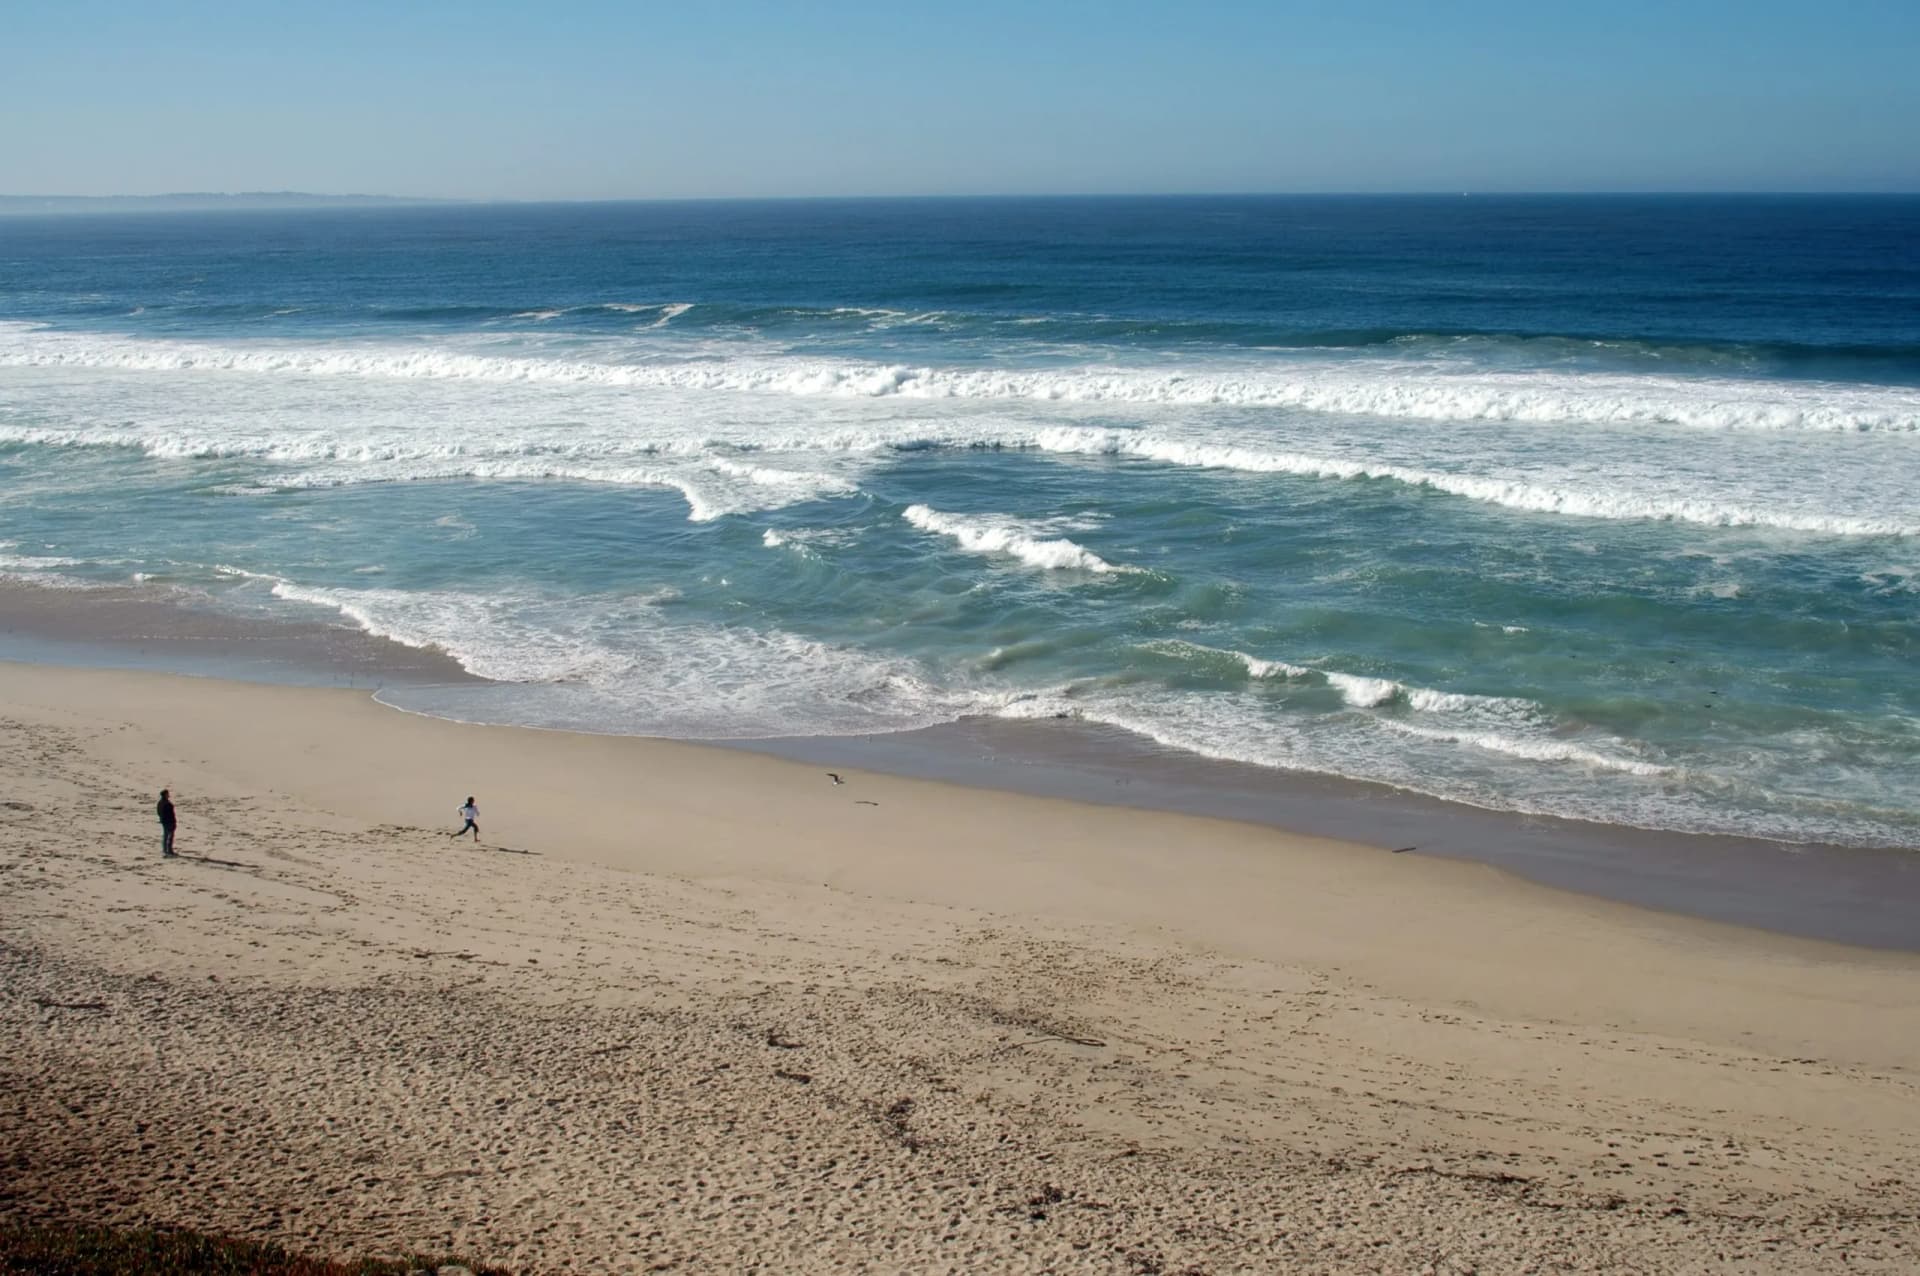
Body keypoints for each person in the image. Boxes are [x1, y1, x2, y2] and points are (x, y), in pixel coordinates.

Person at [157, 789, 177, 857]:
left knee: (166, 836)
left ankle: (165, 850)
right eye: (167, 794)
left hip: (164, 821)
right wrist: (173, 821)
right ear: (165, 795)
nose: (168, 795)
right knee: (169, 836)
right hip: (169, 821)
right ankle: (169, 850)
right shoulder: (166, 803)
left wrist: (161, 819)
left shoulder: (160, 802)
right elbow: (170, 814)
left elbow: (159, 812)